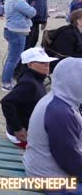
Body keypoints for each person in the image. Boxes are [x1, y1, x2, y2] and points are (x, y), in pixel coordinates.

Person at [23, 58, 82, 194]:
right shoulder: (60, 112)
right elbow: (69, 160)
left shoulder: (59, 98)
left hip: (42, 167)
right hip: (49, 178)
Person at [0, 47, 57, 149]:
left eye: (48, 62)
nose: (47, 66)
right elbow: (6, 102)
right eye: (42, 63)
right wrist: (17, 128)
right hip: (23, 136)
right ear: (30, 64)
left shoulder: (36, 78)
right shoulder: (29, 83)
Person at [1, 0, 36, 92]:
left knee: (12, 58)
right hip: (17, 31)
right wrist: (31, 9)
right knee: (13, 59)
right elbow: (32, 12)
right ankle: (6, 83)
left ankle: (7, 80)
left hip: (13, 29)